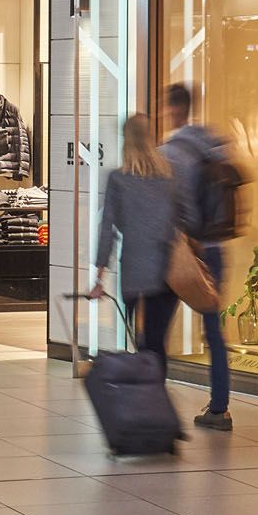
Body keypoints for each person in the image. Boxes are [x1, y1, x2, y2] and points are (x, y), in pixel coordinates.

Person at [162, 82, 235, 432]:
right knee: (214, 332)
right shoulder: (216, 144)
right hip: (216, 249)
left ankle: (152, 405)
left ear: (174, 110)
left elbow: (172, 207)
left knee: (156, 329)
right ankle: (219, 408)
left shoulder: (171, 152)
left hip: (183, 251)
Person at [87, 114, 182, 374]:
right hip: (167, 272)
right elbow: (179, 219)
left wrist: (98, 277)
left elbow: (108, 228)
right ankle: (155, 395)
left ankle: (146, 398)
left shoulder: (119, 179)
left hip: (135, 272)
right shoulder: (168, 177)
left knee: (141, 343)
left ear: (125, 141)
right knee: (156, 342)